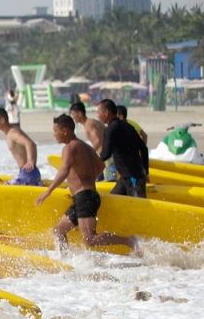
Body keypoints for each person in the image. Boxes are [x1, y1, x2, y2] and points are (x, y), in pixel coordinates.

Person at [36, 115, 138, 253]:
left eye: (55, 130)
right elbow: (101, 165)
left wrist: (48, 191)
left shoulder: (69, 148)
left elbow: (64, 170)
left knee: (90, 239)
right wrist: (88, 179)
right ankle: (66, 261)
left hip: (85, 198)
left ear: (65, 131)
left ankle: (129, 241)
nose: (54, 134)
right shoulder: (85, 146)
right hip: (83, 198)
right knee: (59, 230)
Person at [97, 99, 148, 198]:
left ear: (106, 113)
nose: (98, 116)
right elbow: (144, 148)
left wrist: (90, 165)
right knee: (113, 204)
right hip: (126, 177)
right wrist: (146, 171)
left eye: (98, 113)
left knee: (138, 208)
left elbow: (105, 154)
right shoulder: (128, 126)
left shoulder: (110, 129)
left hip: (133, 178)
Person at [0, 108, 43, 186]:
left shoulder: (12, 133)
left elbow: (30, 143)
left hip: (27, 174)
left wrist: (30, 161)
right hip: (29, 173)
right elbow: (32, 144)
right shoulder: (13, 130)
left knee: (4, 190)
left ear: (2, 120)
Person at [69, 101, 111, 179]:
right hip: (108, 155)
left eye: (73, 114)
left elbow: (97, 140)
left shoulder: (88, 124)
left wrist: (87, 154)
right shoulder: (93, 122)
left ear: (80, 114)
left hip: (106, 157)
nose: (73, 117)